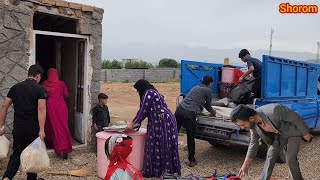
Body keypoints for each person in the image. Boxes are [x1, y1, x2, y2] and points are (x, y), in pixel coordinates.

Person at [230, 104, 313, 180]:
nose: (242, 128)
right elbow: (253, 144)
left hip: (292, 132)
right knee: (270, 156)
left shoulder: (275, 110)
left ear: (251, 118)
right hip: (278, 136)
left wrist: (306, 134)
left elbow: (296, 118)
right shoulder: (253, 126)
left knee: (290, 158)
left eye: (243, 124)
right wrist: (246, 165)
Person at [124, 79, 181, 178]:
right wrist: (135, 125)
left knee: (163, 144)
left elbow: (142, 111)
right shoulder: (150, 93)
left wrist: (131, 125)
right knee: (154, 144)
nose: (138, 92)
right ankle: (155, 171)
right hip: (157, 122)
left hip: (163, 122)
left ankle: (166, 172)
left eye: (137, 90)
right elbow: (144, 112)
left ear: (141, 87)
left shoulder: (149, 93)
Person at [0, 64, 47, 180]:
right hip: (33, 129)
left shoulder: (15, 88)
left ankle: (6, 178)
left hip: (18, 128)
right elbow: (41, 109)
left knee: (16, 154)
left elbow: (4, 106)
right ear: (38, 76)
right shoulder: (40, 89)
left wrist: (1, 125)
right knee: (32, 156)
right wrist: (42, 130)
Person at [175, 75, 216, 167]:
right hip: (189, 113)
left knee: (174, 134)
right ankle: (192, 161)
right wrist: (213, 112)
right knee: (190, 137)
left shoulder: (195, 87)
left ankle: (169, 157)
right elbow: (208, 106)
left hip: (179, 110)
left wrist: (200, 108)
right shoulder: (208, 91)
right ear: (210, 83)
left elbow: (197, 101)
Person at [42, 68, 72, 159]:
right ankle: (64, 149)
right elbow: (66, 95)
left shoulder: (44, 84)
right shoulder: (61, 83)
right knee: (63, 126)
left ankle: (52, 144)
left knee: (52, 126)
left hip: (50, 106)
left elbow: (43, 96)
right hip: (61, 106)